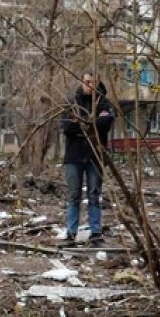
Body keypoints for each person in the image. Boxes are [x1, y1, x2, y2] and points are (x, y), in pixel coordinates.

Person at [60, 72, 114, 247]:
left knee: (94, 195)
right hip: (74, 156)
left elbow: (106, 124)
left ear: (98, 83)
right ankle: (71, 233)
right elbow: (67, 127)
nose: (89, 85)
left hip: (95, 155)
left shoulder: (104, 103)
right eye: (86, 81)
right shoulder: (72, 102)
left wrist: (82, 124)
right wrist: (92, 124)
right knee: (74, 195)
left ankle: (96, 234)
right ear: (82, 82)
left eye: (93, 82)